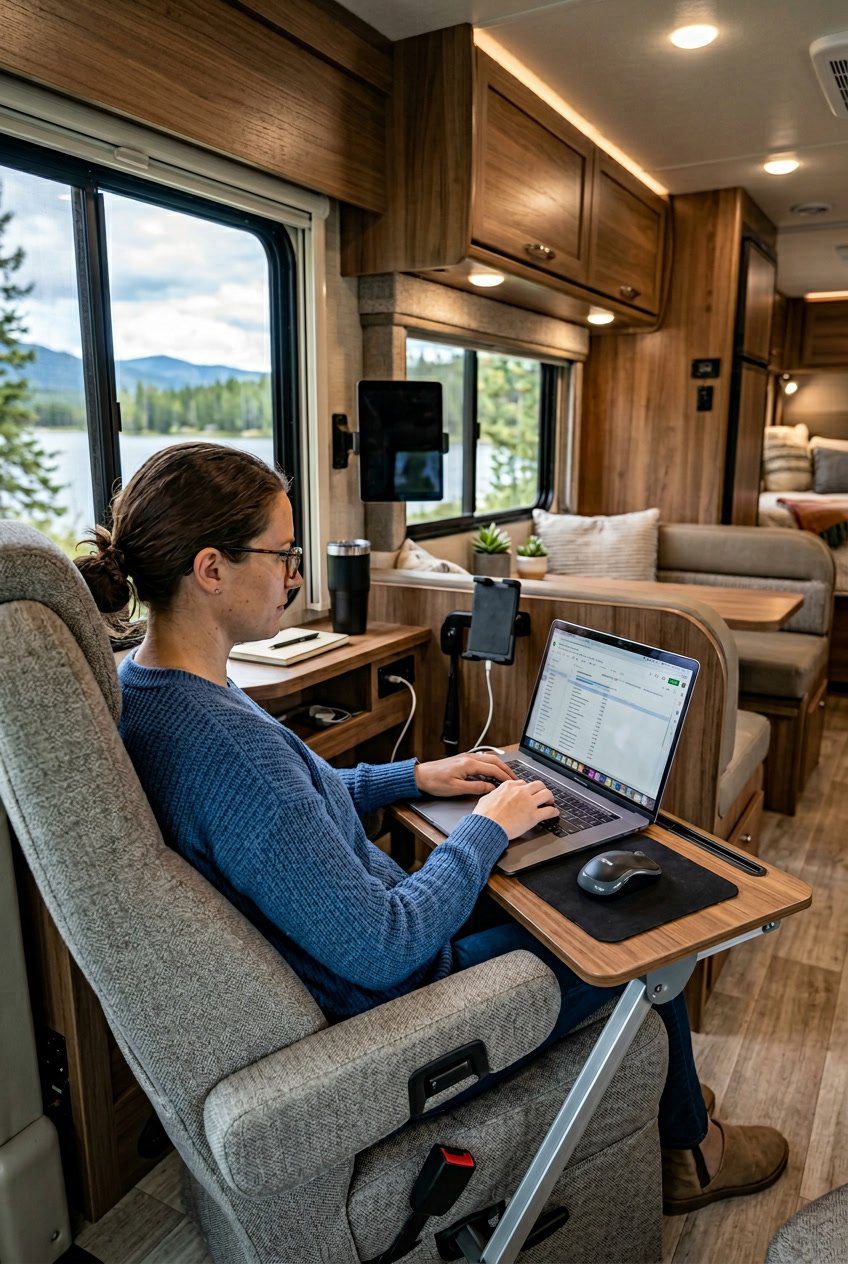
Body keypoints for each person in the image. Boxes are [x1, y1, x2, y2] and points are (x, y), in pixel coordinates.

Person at [77, 441, 788, 1215]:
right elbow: (383, 948)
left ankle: (679, 1111)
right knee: (642, 934)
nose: (295, 576)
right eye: (283, 555)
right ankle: (697, 1153)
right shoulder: (227, 746)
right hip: (406, 1000)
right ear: (210, 569)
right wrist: (484, 828)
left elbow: (289, 813)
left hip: (375, 943)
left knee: (569, 876)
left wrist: (417, 777)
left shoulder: (153, 687)